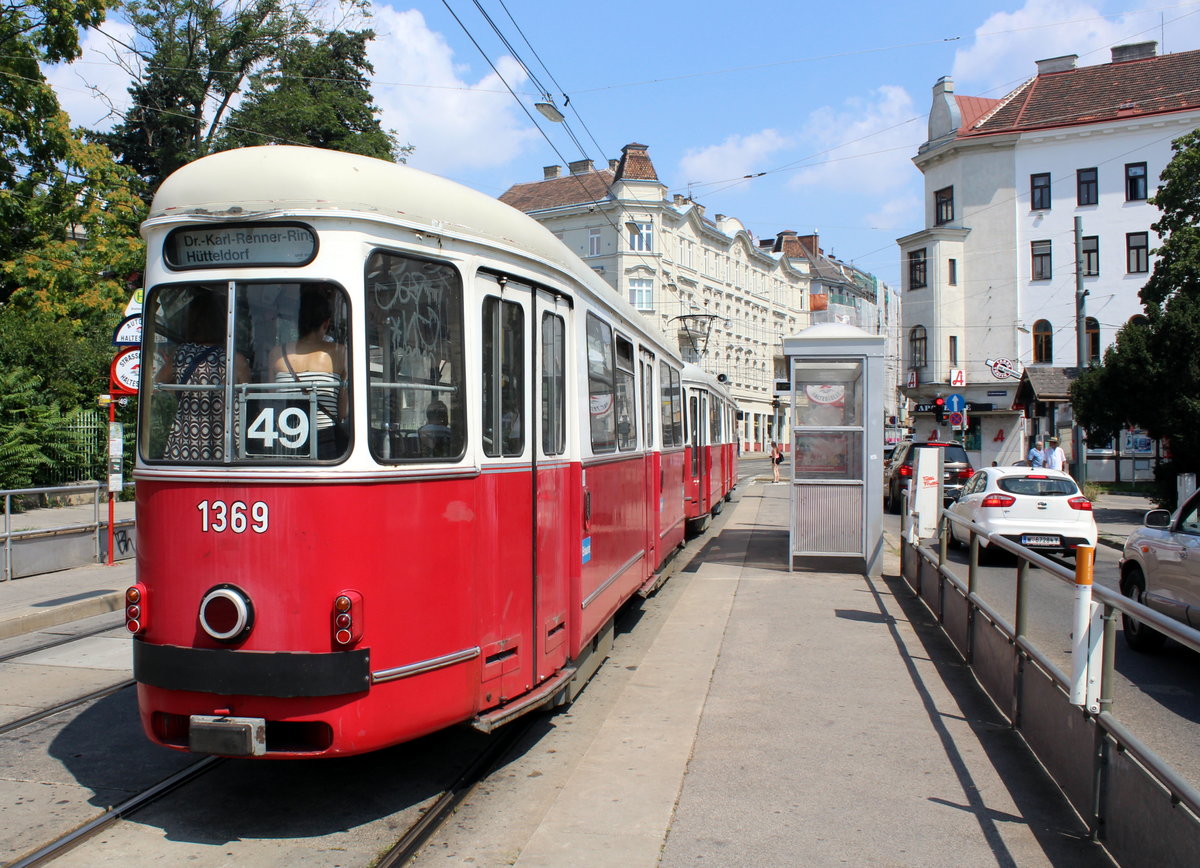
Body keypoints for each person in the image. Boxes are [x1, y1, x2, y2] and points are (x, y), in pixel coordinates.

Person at [159, 290, 250, 462]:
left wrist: (186, 393)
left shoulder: (181, 353)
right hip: (224, 435)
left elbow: (157, 384)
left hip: (185, 437)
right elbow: (249, 401)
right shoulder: (235, 359)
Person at [269, 289, 347, 459]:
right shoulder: (339, 353)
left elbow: (270, 402)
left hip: (286, 437)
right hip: (325, 438)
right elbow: (342, 412)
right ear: (326, 323)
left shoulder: (277, 353)